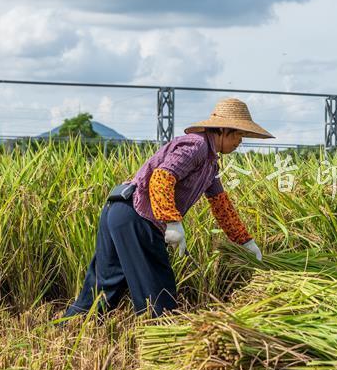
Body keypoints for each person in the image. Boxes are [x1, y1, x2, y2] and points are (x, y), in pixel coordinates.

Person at [62, 97, 272, 318]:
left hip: (119, 211)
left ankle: (70, 326)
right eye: (238, 134)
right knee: (159, 294)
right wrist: (172, 221)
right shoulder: (197, 146)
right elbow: (162, 177)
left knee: (105, 286)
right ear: (223, 129)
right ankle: (162, 342)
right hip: (136, 216)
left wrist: (245, 241)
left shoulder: (210, 164)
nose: (240, 141)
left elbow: (221, 205)